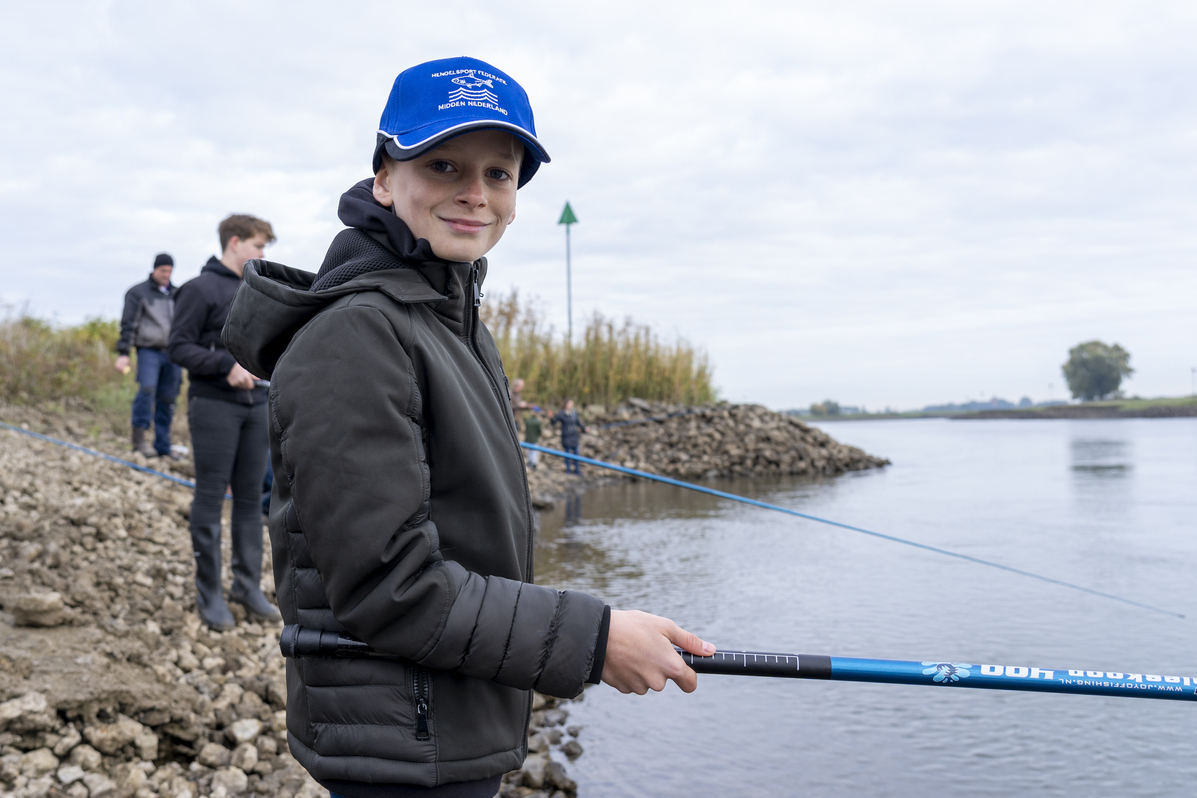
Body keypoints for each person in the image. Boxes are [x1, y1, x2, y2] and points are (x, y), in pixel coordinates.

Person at [222, 56, 714, 798]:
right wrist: (596, 638)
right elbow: (390, 586)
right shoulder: (355, 334)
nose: (475, 194)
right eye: (443, 165)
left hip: (445, 718)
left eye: (498, 174)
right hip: (400, 741)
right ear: (384, 180)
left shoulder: (451, 321)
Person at [168, 215, 281, 632]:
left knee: (251, 499)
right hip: (214, 403)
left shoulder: (257, 290)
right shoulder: (199, 289)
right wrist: (223, 366)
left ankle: (246, 587)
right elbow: (178, 346)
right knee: (211, 494)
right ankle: (210, 594)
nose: (262, 253)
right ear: (235, 242)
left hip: (256, 405)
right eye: (258, 245)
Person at [115, 253, 181, 458]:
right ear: (154, 269)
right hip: (148, 350)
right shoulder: (138, 292)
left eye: (169, 271)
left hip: (173, 353)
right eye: (163, 270)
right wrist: (124, 353)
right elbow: (129, 324)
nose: (166, 275)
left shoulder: (177, 294)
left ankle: (163, 445)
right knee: (147, 389)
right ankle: (139, 440)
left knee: (168, 397)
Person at [552, 399, 588, 475]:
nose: (571, 405)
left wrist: (585, 428)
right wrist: (551, 417)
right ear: (566, 404)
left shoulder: (574, 413)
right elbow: (553, 421)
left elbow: (578, 423)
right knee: (567, 454)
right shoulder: (561, 414)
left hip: (574, 436)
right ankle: (568, 470)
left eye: (572, 404)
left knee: (576, 454)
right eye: (570, 404)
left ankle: (577, 470)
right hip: (566, 437)